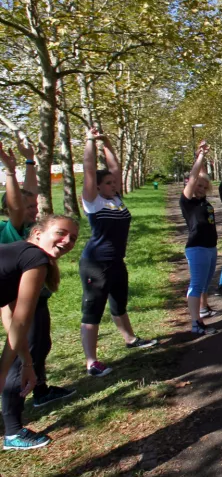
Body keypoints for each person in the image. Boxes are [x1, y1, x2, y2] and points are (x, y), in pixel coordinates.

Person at [0, 140, 74, 408]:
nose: (33, 209)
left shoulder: (33, 228)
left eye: (35, 206)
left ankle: (40, 390)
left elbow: (29, 194)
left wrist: (29, 162)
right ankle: (13, 418)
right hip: (16, 302)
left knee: (40, 345)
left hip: (35, 301)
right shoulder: (14, 230)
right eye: (28, 206)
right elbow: (18, 205)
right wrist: (10, 170)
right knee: (22, 354)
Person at [80, 128, 157, 378]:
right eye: (109, 183)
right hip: (96, 262)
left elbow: (116, 166)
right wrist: (90, 141)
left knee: (119, 303)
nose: (114, 185)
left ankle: (130, 339)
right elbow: (90, 169)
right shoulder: (93, 201)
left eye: (114, 182)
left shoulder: (116, 200)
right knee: (93, 311)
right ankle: (91, 362)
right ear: (98, 186)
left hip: (116, 261)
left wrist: (108, 143)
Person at [1, 215, 79, 449]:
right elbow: (21, 321)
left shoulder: (18, 254)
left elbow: (10, 316)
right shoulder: (34, 258)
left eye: (73, 238)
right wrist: (3, 372)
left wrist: (26, 363)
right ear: (37, 233)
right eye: (60, 233)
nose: (67, 241)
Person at [180, 141, 219, 335]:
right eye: (199, 185)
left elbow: (201, 175)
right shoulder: (188, 202)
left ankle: (202, 311)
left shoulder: (203, 201)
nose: (202, 187)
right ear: (191, 184)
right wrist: (200, 156)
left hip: (210, 248)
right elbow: (195, 176)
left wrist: (202, 158)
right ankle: (196, 323)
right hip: (197, 248)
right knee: (196, 285)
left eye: (205, 186)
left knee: (204, 284)